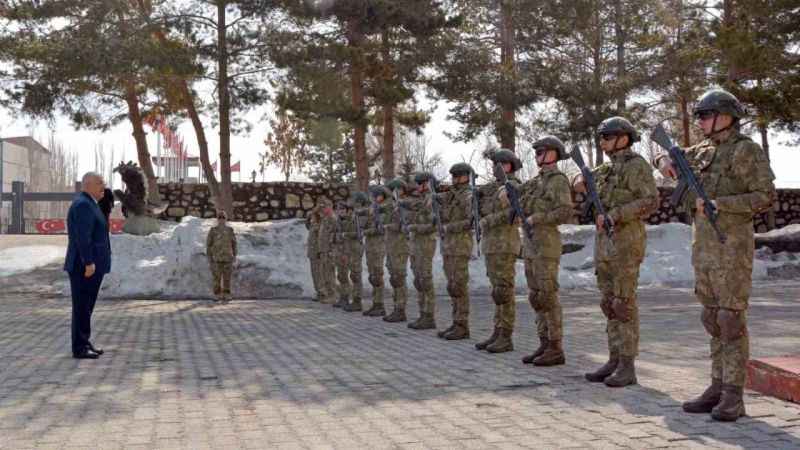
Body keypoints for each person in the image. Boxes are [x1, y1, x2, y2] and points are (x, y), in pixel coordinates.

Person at [654, 89, 776, 421]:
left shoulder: (745, 151)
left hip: (732, 246)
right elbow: (662, 158)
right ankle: (717, 385)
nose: (702, 122)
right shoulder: (703, 151)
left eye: (706, 116)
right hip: (704, 249)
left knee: (730, 320)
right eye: (700, 116)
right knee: (711, 318)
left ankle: (734, 395)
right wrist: (664, 162)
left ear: (725, 116)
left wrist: (722, 205)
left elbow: (765, 196)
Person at [573, 117, 658, 387]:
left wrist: (616, 214)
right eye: (602, 137)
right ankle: (613, 358)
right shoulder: (606, 170)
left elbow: (650, 200)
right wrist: (579, 180)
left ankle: (627, 365)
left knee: (623, 305)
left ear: (624, 137)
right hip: (605, 246)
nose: (603, 142)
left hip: (625, 243)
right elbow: (579, 181)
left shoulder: (636, 166)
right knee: (609, 304)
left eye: (607, 136)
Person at [520, 136, 574, 366]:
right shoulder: (535, 182)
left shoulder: (558, 180)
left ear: (554, 153)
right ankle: (543, 342)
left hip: (547, 244)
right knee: (536, 296)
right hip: (532, 246)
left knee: (548, 296)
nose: (538, 155)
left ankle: (555, 346)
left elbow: (565, 211)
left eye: (542, 151)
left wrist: (539, 218)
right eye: (537, 151)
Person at [475, 149, 522, 354]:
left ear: (511, 165)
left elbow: (511, 212)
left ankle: (506, 335)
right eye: (495, 164)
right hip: (491, 245)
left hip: (505, 244)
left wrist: (488, 220)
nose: (497, 167)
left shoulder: (514, 186)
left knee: (504, 290)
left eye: (501, 163)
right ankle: (498, 330)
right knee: (497, 291)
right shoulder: (491, 188)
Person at [64, 172, 112, 359]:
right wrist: (89, 262)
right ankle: (80, 347)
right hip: (84, 266)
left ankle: (83, 341)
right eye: (100, 182)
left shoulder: (90, 203)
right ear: (88, 184)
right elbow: (82, 237)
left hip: (90, 264)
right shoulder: (83, 205)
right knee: (82, 306)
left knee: (86, 306)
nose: (104, 185)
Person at [438, 163, 475, 340]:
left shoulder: (468, 195)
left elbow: (470, 221)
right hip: (449, 246)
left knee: (459, 285)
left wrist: (449, 227)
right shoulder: (451, 196)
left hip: (460, 245)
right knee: (452, 286)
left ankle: (463, 325)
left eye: (458, 175)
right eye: (453, 176)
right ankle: (456, 321)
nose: (454, 179)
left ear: (467, 176)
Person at [406, 172, 438, 330]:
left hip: (426, 243)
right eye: (417, 184)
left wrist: (415, 227)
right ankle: (422, 314)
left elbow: (433, 225)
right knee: (418, 279)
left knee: (425, 279)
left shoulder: (433, 199)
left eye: (421, 184)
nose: (418, 187)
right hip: (416, 243)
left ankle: (429, 315)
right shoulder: (420, 200)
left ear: (428, 184)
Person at [383, 178, 411, 322]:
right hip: (392, 246)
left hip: (400, 247)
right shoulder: (394, 206)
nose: (391, 193)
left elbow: (402, 226)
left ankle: (401, 309)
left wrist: (387, 226)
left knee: (399, 278)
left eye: (393, 190)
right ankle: (396, 307)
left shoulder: (404, 206)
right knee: (394, 278)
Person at [362, 186, 392, 317]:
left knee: (377, 276)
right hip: (370, 246)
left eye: (376, 195)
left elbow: (380, 229)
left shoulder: (385, 209)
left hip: (379, 245)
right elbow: (367, 224)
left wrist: (367, 231)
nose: (374, 198)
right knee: (372, 276)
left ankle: (380, 305)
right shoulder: (373, 209)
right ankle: (376, 303)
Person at [206, 210, 237, 303]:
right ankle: (217, 294)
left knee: (227, 277)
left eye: (223, 217)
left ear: (226, 219)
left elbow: (234, 243)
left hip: (228, 257)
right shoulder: (213, 230)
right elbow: (209, 244)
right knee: (217, 277)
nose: (221, 219)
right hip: (217, 257)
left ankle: (227, 294)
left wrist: (234, 254)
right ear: (217, 219)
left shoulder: (230, 230)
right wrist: (209, 257)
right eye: (220, 217)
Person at [317, 198, 338, 305]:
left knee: (330, 274)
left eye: (324, 207)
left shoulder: (333, 219)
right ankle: (328, 295)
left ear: (330, 206)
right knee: (325, 273)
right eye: (322, 207)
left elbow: (335, 237)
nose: (323, 209)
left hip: (329, 251)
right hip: (324, 250)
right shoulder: (325, 219)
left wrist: (331, 251)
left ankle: (333, 296)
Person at [305, 206, 323, 302]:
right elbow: (307, 226)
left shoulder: (320, 225)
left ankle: (322, 293)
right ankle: (319, 292)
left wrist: (320, 251)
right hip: (312, 253)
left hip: (317, 253)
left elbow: (321, 239)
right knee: (314, 274)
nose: (312, 216)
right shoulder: (313, 224)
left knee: (319, 274)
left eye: (313, 215)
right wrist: (308, 218)